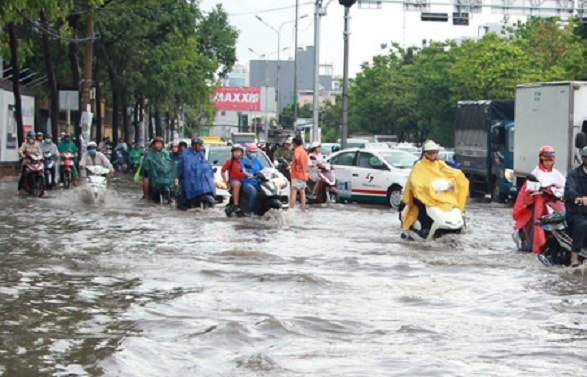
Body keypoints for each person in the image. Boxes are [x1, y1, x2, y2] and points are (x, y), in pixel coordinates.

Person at [401, 140, 469, 237]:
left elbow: (451, 172)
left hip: (438, 195)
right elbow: (415, 181)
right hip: (422, 194)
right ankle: (424, 228)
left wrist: (456, 179)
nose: (432, 155)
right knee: (422, 205)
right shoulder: (419, 165)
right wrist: (426, 187)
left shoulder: (440, 164)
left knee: (452, 203)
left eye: (434, 153)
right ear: (425, 153)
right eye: (430, 153)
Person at [512, 145, 566, 253]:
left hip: (553, 202)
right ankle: (532, 246)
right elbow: (529, 189)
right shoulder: (535, 173)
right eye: (546, 160)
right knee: (537, 223)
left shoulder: (557, 174)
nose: (548, 163)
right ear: (541, 159)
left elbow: (564, 187)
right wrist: (539, 190)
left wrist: (553, 190)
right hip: (538, 203)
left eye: (550, 161)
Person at [176, 137, 216, 208]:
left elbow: (205, 165)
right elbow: (183, 167)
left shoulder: (201, 154)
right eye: (199, 145)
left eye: (201, 145)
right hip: (189, 179)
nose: (200, 147)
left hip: (200, 179)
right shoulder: (186, 154)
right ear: (194, 145)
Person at [564, 146, 587, 267]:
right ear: (583, 159)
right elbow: (569, 190)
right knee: (582, 224)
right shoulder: (574, 175)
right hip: (577, 213)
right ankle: (574, 255)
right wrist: (579, 198)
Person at [139, 136, 176, 202]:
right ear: (153, 144)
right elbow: (145, 164)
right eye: (157, 143)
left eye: (160, 143)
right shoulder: (149, 154)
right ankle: (146, 195)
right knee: (146, 180)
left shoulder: (166, 153)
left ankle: (171, 196)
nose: (158, 145)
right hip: (151, 173)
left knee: (174, 181)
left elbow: (170, 162)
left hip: (163, 173)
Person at [240, 143, 265, 215]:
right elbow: (242, 170)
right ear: (247, 152)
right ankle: (249, 211)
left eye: (255, 152)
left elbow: (263, 169)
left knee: (264, 192)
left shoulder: (257, 161)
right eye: (251, 152)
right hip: (247, 182)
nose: (253, 154)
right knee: (253, 192)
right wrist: (249, 174)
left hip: (257, 182)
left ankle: (259, 212)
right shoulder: (243, 161)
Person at [221, 144, 245, 215]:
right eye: (235, 151)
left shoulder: (245, 161)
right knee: (236, 184)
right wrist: (226, 182)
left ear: (242, 153)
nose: (236, 153)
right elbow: (222, 171)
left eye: (238, 151)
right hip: (234, 181)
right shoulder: (229, 161)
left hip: (245, 181)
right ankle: (236, 205)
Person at [290, 135, 309, 210]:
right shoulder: (304, 151)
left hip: (296, 175)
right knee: (302, 193)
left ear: (294, 143)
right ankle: (303, 209)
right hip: (303, 174)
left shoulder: (297, 150)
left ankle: (291, 209)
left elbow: (297, 157)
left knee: (294, 192)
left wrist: (297, 165)